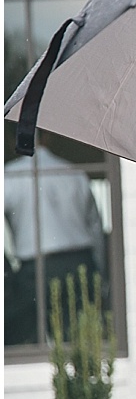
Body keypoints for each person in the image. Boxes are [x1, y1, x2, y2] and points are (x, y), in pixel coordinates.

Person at [5, 132, 106, 345]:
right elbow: (95, 227)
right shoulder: (74, 172)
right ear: (47, 138)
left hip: (36, 270)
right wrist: (100, 270)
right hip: (80, 263)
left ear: (11, 141)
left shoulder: (10, 176)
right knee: (79, 339)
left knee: (31, 341)